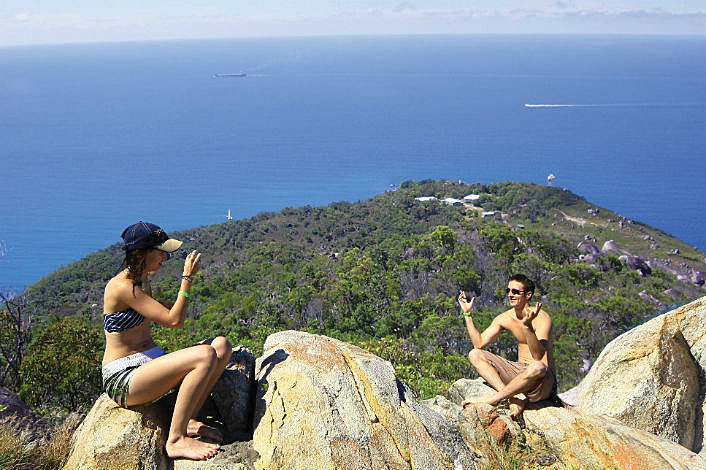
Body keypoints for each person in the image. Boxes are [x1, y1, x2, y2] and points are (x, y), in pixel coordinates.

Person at [102, 221, 232, 460]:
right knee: (205, 355)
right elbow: (175, 321)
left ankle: (188, 419)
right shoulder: (122, 287)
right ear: (141, 253)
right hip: (124, 378)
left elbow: (164, 313)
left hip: (149, 362)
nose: (164, 257)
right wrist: (187, 279)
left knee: (221, 346)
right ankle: (175, 440)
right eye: (160, 252)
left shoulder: (142, 281)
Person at [458, 274, 556, 419]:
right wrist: (467, 314)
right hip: (520, 372)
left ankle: (494, 399)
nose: (510, 295)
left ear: (528, 295)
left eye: (516, 292)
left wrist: (528, 326)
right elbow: (478, 343)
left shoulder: (542, 318)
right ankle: (514, 397)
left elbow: (539, 356)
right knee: (475, 354)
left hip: (541, 381)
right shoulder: (506, 318)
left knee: (537, 366)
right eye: (508, 290)